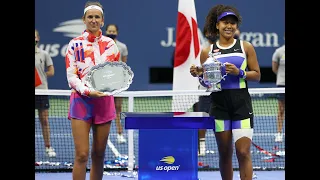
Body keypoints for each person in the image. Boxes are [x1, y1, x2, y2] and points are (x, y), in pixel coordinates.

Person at [190, 4, 261, 180]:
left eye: (232, 23)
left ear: (236, 26)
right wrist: (199, 74)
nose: (229, 26)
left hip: (241, 104)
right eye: (225, 22)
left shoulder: (246, 47)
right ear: (217, 25)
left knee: (243, 152)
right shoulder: (207, 51)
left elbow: (257, 75)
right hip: (219, 105)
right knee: (225, 153)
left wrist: (240, 73)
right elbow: (207, 83)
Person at [65, 1, 120, 180]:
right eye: (90, 17)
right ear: (84, 19)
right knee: (81, 155)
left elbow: (115, 73)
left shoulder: (111, 45)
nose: (94, 20)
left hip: (104, 102)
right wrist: (88, 91)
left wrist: (111, 86)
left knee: (99, 155)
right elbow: (72, 77)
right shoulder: (74, 45)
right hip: (81, 102)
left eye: (97, 17)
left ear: (102, 21)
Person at [105, 24, 128, 144]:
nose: (111, 32)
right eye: (109, 31)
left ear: (117, 33)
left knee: (118, 109)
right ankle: (102, 133)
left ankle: (120, 134)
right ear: (106, 31)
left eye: (113, 31)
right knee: (103, 108)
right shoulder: (101, 45)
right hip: (104, 82)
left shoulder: (122, 47)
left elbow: (124, 64)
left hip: (118, 82)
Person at [35, 29, 56, 158]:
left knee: (44, 120)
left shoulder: (44, 54)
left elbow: (51, 71)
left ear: (38, 38)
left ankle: (48, 147)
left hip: (41, 90)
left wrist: (41, 77)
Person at [272, 34, 285, 143]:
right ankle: (279, 134)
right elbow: (274, 68)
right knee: (281, 110)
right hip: (282, 85)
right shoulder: (279, 52)